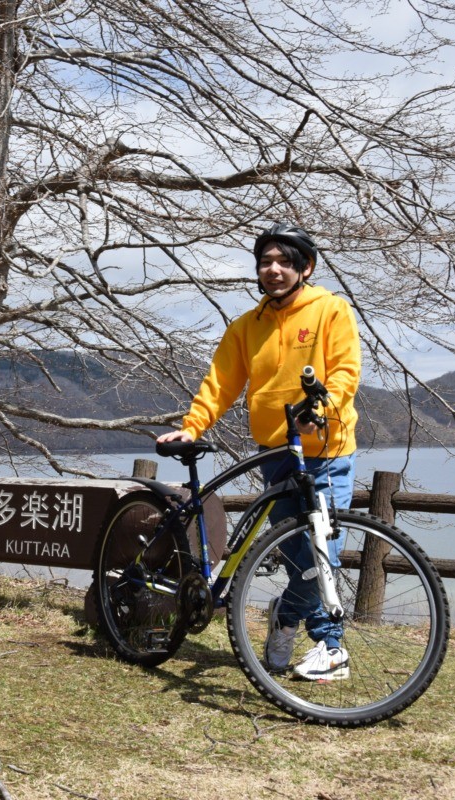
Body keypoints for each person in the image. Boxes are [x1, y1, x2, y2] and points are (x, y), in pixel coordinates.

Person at [157, 223, 361, 681]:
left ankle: (323, 644)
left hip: (326, 452)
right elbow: (220, 386)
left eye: (284, 262)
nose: (273, 269)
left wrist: (321, 406)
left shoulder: (331, 311)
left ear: (305, 268)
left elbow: (346, 372)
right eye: (265, 261)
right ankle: (297, 622)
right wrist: (191, 428)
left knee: (322, 551)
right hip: (275, 452)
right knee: (295, 555)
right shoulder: (246, 327)